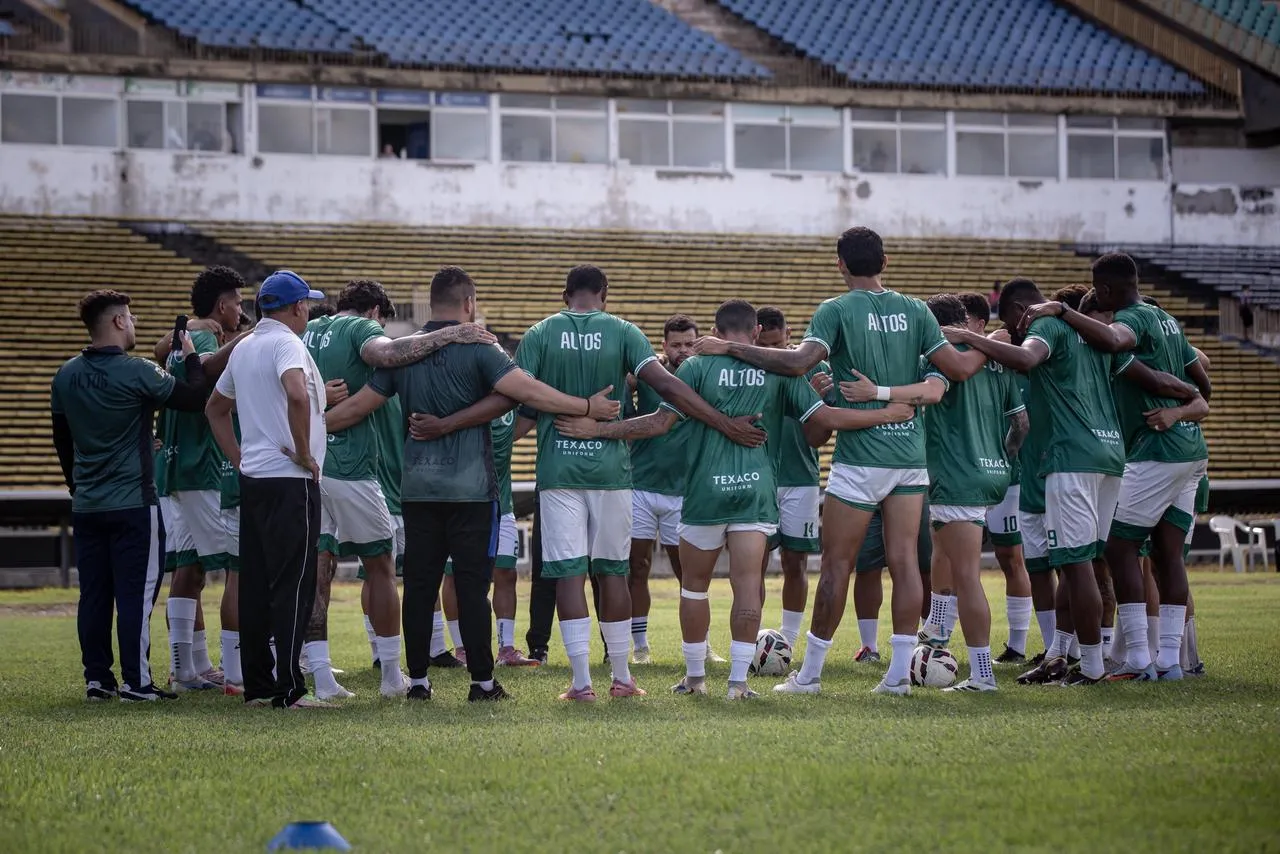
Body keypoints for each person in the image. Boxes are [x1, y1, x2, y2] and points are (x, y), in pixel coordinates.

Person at [555, 299, 915, 698]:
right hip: (754, 493)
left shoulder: (695, 367)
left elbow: (658, 423)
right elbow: (826, 420)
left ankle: (694, 679)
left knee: (694, 587)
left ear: (715, 330)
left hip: (705, 493)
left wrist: (598, 430)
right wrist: (886, 414)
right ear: (756, 333)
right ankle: (739, 683)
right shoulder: (776, 370)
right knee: (747, 586)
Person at [694, 227, 985, 696]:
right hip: (909, 454)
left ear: (840, 265)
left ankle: (809, 676)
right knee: (906, 563)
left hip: (862, 456)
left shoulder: (835, 309)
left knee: (836, 566)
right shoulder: (915, 310)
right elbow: (956, 368)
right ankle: (897, 679)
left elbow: (796, 363)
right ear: (885, 262)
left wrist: (730, 346)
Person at [324, 266, 620, 702]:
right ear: (469, 303)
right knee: (471, 587)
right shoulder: (481, 346)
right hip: (472, 490)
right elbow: (529, 391)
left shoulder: (405, 350)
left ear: (431, 302)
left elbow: (359, 407)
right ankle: (482, 682)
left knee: (420, 586)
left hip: (418, 488)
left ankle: (419, 682)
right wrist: (586, 405)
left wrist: (310, 428)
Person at [516, 264, 768, 702]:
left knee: (569, 575)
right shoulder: (625, 332)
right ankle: (622, 677)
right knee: (614, 573)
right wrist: (726, 423)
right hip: (613, 474)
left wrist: (489, 442)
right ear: (605, 295)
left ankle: (580, 684)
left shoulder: (539, 334)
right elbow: (670, 389)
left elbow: (519, 400)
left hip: (558, 471)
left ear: (565, 295)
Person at [947, 276, 1199, 685]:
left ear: (1018, 312)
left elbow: (1026, 359)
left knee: (1076, 565)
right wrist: (1193, 396)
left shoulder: (1047, 325)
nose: (1016, 332)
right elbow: (1154, 371)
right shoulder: (1096, 334)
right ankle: (1073, 654)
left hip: (1072, 457)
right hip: (1111, 454)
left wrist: (968, 338)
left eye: (1013, 326)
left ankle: (1095, 666)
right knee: (1085, 560)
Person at [1024, 255, 1210, 681]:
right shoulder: (1167, 321)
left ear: (1105, 295)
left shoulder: (1126, 329)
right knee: (1166, 555)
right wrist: (1188, 409)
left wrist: (1062, 312)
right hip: (1189, 452)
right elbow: (1202, 383)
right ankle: (1170, 662)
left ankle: (1135, 660)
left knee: (1114, 548)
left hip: (1153, 452)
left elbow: (1119, 347)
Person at [52, 290, 211, 702]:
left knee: (94, 595)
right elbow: (194, 398)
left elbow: (63, 443)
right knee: (135, 598)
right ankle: (137, 683)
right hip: (134, 504)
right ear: (119, 322)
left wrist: (79, 487)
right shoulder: (137, 371)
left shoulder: (65, 375)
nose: (135, 322)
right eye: (132, 316)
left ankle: (97, 680)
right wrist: (190, 354)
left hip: (88, 505)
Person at [205, 271, 331, 709]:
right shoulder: (288, 344)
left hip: (255, 479)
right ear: (297, 307)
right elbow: (297, 394)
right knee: (293, 583)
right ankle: (290, 688)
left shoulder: (245, 347)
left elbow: (215, 409)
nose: (309, 313)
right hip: (290, 481)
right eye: (307, 306)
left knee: (255, 584)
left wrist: (241, 459)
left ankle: (258, 686)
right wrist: (302, 451)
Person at [915, 295, 1027, 692]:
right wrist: (1001, 456)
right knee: (941, 547)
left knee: (966, 575)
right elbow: (1022, 424)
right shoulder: (994, 357)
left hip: (958, 473)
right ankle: (937, 627)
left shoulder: (942, 358)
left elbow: (931, 394)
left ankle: (982, 674)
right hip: (992, 473)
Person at [151, 266, 250, 693]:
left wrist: (189, 326)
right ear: (223, 305)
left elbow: (161, 351)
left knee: (187, 570)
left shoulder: (183, 338)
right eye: (239, 303)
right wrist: (255, 334)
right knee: (239, 566)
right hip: (204, 466)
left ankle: (186, 670)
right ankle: (236, 674)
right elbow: (207, 371)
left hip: (171, 467)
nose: (241, 311)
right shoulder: (206, 339)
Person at [957, 291, 1033, 663]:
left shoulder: (998, 358)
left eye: (963, 321)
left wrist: (1005, 456)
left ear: (981, 324)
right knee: (957, 560)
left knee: (1010, 556)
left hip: (1001, 476)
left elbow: (1020, 423)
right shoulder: (953, 360)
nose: (957, 330)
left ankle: (1018, 644)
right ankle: (939, 639)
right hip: (972, 472)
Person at [755, 306, 834, 647]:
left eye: (778, 344)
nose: (772, 352)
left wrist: (811, 401)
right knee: (752, 561)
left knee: (795, 560)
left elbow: (819, 437)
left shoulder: (817, 370)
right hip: (759, 476)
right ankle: (749, 637)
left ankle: (787, 641)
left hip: (800, 478)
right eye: (765, 345)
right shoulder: (748, 370)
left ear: (790, 337)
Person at [627, 314, 697, 664]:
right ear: (664, 345)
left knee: (687, 570)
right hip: (640, 484)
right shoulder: (649, 373)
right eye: (676, 344)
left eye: (689, 343)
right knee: (636, 567)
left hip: (683, 490)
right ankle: (639, 647)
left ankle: (699, 646)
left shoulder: (704, 375)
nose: (683, 350)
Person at [850, 500, 932, 662]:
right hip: (869, 490)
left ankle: (930, 642)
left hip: (910, 488)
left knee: (922, 566)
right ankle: (868, 646)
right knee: (867, 564)